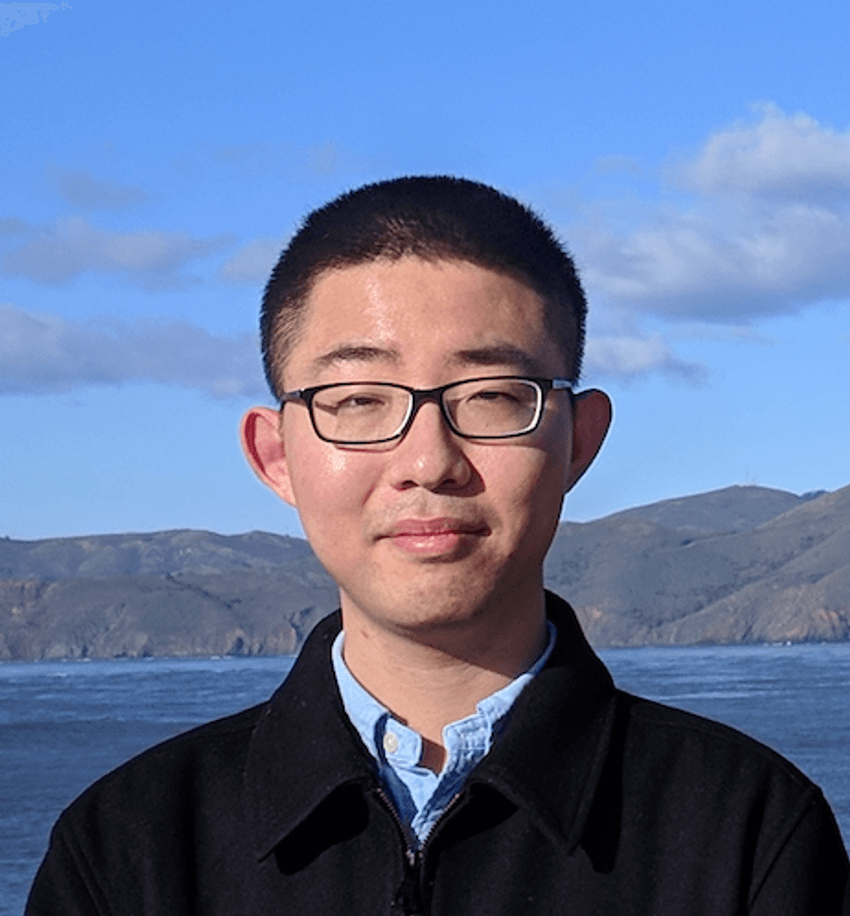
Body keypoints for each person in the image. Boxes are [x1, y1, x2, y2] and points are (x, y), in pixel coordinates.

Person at [26, 176, 849, 915]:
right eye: (357, 400)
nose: (429, 462)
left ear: (579, 441)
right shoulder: (128, 850)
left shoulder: (747, 831)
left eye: (493, 395)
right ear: (276, 455)